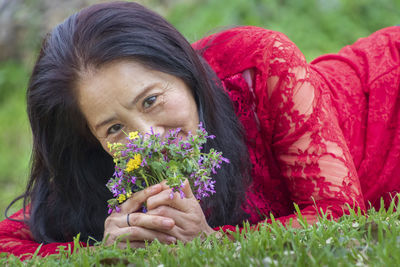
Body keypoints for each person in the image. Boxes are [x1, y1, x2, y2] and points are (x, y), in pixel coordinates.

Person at [0, 1, 399, 260]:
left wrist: (211, 240)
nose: (148, 137)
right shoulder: (106, 163)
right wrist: (104, 249)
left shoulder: (261, 64)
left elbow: (339, 214)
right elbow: (9, 240)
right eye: (115, 127)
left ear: (185, 71)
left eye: (151, 100)